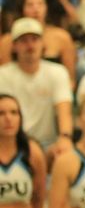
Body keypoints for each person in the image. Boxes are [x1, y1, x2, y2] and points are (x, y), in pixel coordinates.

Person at [0, 18, 73, 157]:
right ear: (14, 46)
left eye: (34, 39)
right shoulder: (2, 75)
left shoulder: (58, 72)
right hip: (12, 143)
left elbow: (64, 110)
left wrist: (65, 138)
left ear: (42, 43)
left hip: (48, 144)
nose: (30, 45)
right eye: (24, 41)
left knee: (65, 154)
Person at [0, 0, 78, 82]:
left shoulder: (62, 37)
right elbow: (4, 77)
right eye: (30, 5)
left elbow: (70, 79)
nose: (36, 9)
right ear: (22, 9)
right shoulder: (7, 41)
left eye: (40, 4)